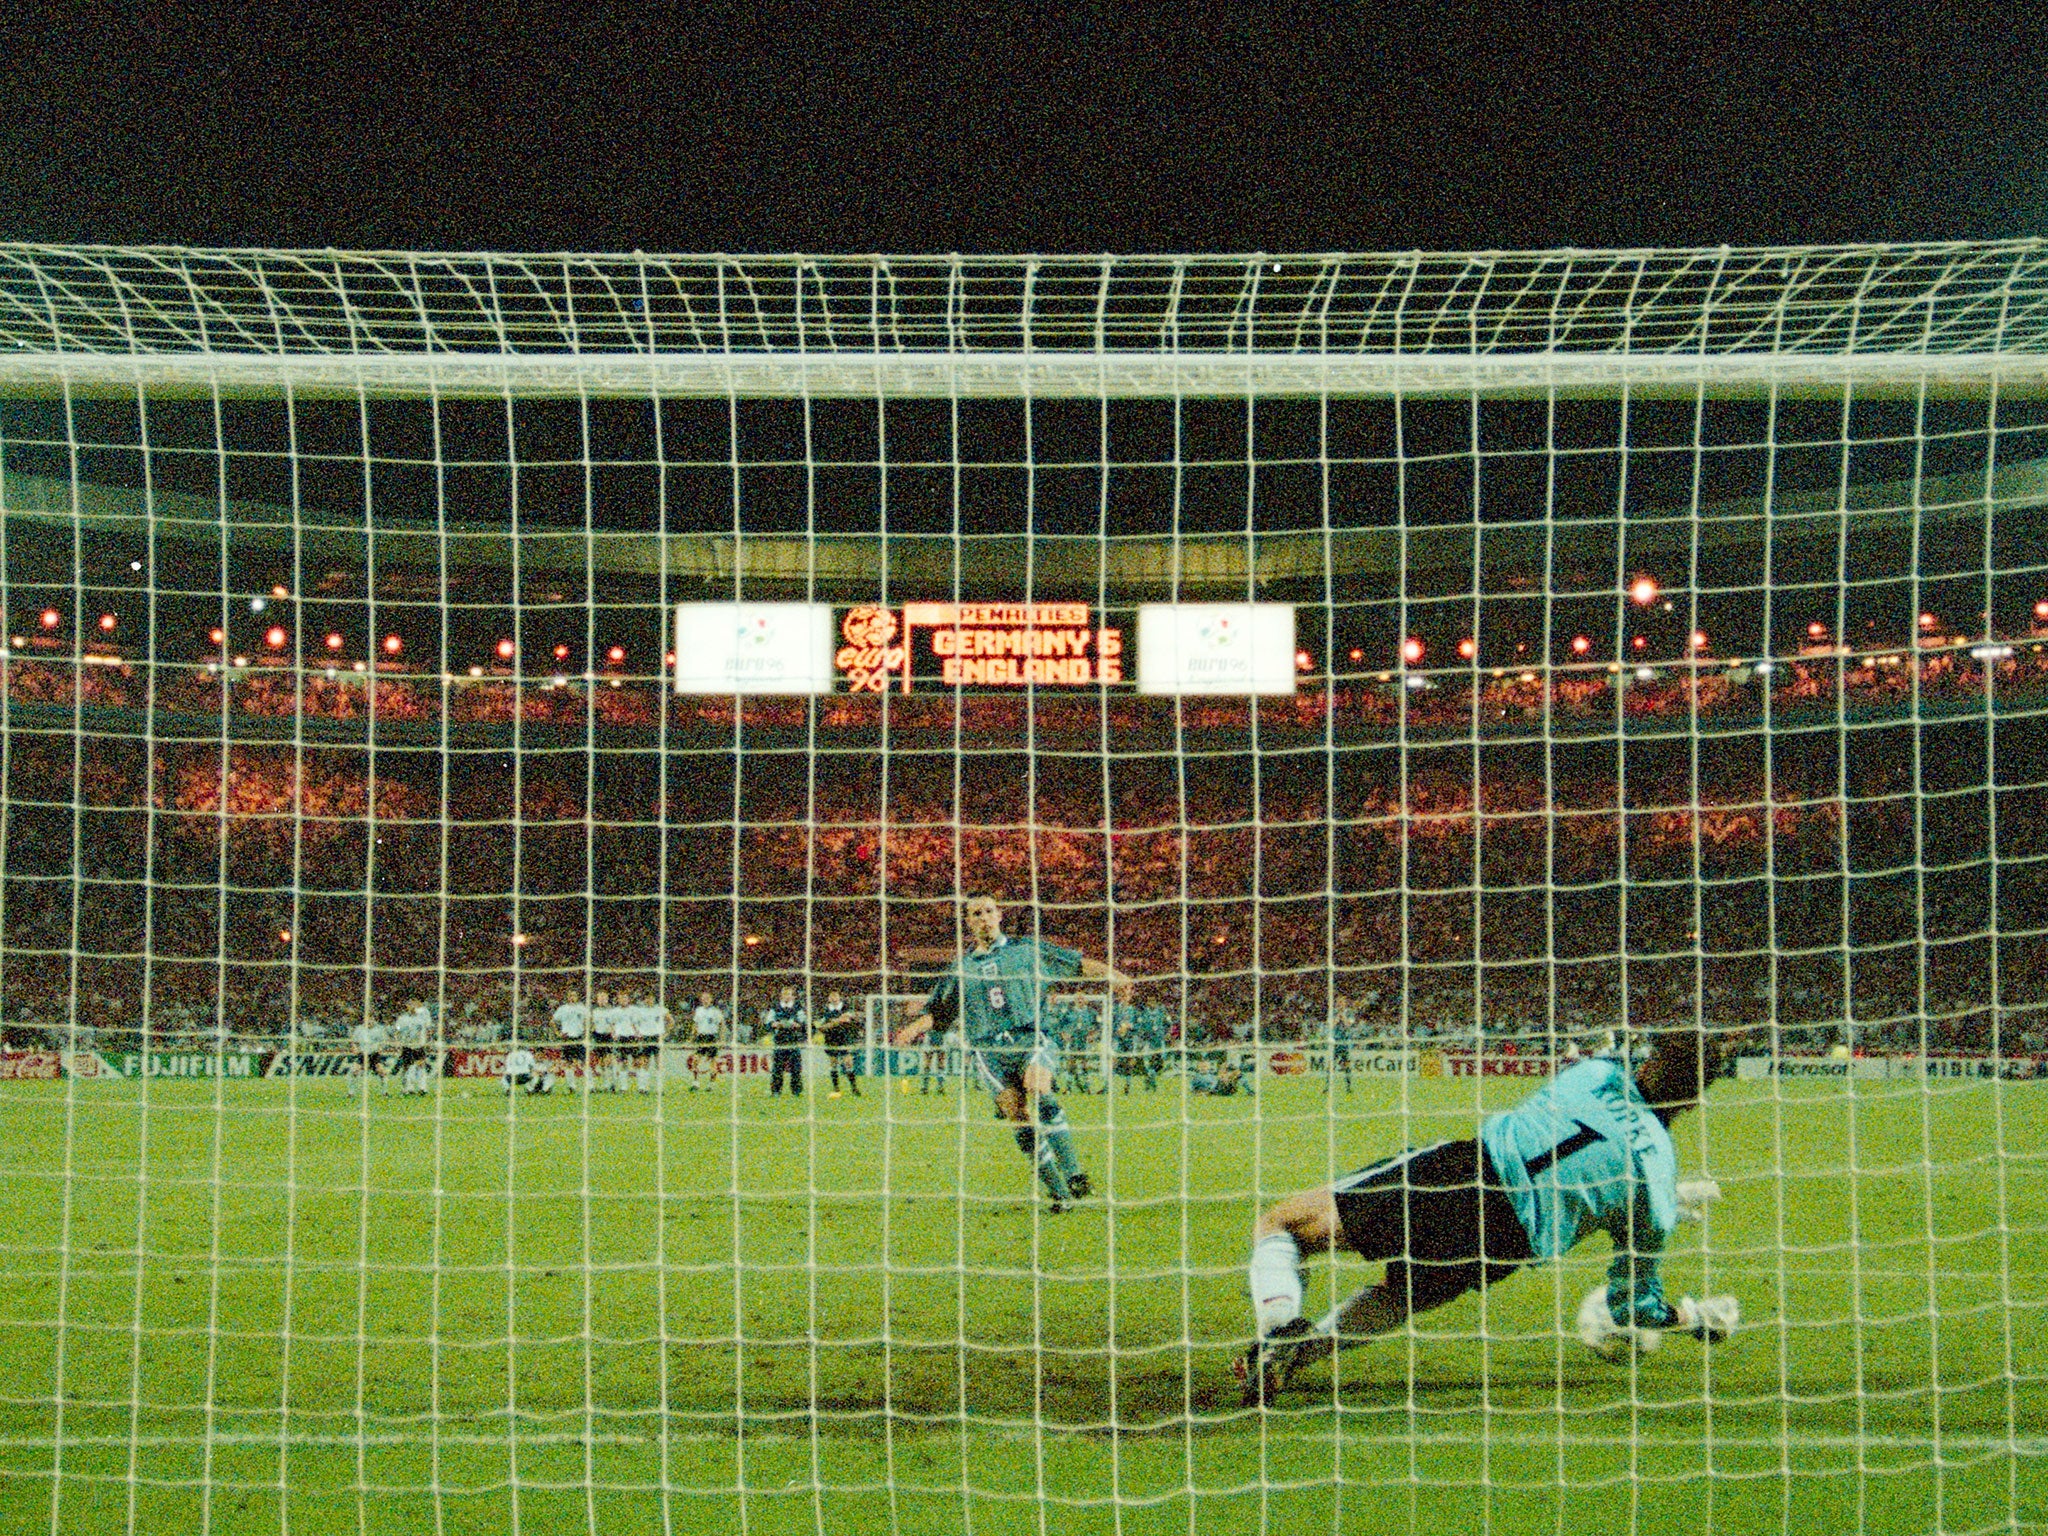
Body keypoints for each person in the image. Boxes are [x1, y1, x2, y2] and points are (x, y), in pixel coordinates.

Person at [1237, 1026, 1740, 1405]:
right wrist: (1691, 1316)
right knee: (1400, 1296)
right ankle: (1296, 1359)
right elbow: (1633, 1307)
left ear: (1649, 1065)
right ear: (1696, 1101)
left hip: (1465, 1175)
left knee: (1286, 1222)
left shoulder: (1595, 1074)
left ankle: (1279, 1327)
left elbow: (1602, 1124)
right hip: (1507, 1244)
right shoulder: (1654, 1184)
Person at [894, 890, 1128, 1211]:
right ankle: (1059, 1193)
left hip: (1030, 1039)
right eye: (976, 914)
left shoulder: (1026, 951)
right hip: (988, 1051)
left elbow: (1075, 964)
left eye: (988, 911)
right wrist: (912, 1029)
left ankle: (1074, 1173)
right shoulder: (961, 969)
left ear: (999, 915)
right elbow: (939, 1011)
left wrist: (1112, 975)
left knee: (1037, 1087)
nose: (984, 919)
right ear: (968, 922)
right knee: (1016, 1114)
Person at [762, 984, 807, 1097]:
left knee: (796, 1068)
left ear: (793, 997)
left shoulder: (798, 1007)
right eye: (785, 994)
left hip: (793, 1040)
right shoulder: (775, 1007)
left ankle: (796, 1091)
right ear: (781, 996)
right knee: (778, 1068)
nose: (787, 997)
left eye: (789, 995)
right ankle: (776, 1091)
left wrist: (798, 1025)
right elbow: (768, 1022)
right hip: (780, 1040)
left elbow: (803, 1022)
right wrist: (774, 1024)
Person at [819, 989, 863, 1098]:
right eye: (832, 996)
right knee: (833, 1063)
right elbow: (821, 1027)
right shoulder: (825, 1010)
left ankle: (854, 1088)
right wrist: (837, 1021)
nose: (834, 998)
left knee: (848, 1062)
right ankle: (836, 1088)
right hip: (831, 1039)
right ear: (829, 999)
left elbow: (849, 1019)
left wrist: (835, 1021)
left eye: (836, 996)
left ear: (839, 997)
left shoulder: (846, 1007)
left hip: (844, 1038)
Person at [689, 989, 725, 1090]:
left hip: (712, 1037)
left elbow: (722, 1025)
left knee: (713, 1062)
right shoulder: (698, 1010)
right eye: (703, 998)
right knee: (695, 1060)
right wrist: (692, 1036)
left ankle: (711, 1084)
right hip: (701, 1037)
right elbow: (695, 1024)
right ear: (701, 1000)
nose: (705, 1000)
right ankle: (695, 1083)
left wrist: (721, 1039)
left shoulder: (716, 1011)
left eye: (707, 998)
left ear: (711, 1000)